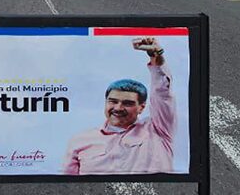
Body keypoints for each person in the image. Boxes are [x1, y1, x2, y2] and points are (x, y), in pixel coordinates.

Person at [63, 37, 175, 175]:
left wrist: (156, 57)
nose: (118, 108)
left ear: (141, 107)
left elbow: (162, 93)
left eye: (127, 103)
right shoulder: (80, 141)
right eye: (113, 101)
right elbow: (69, 184)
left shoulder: (158, 131)